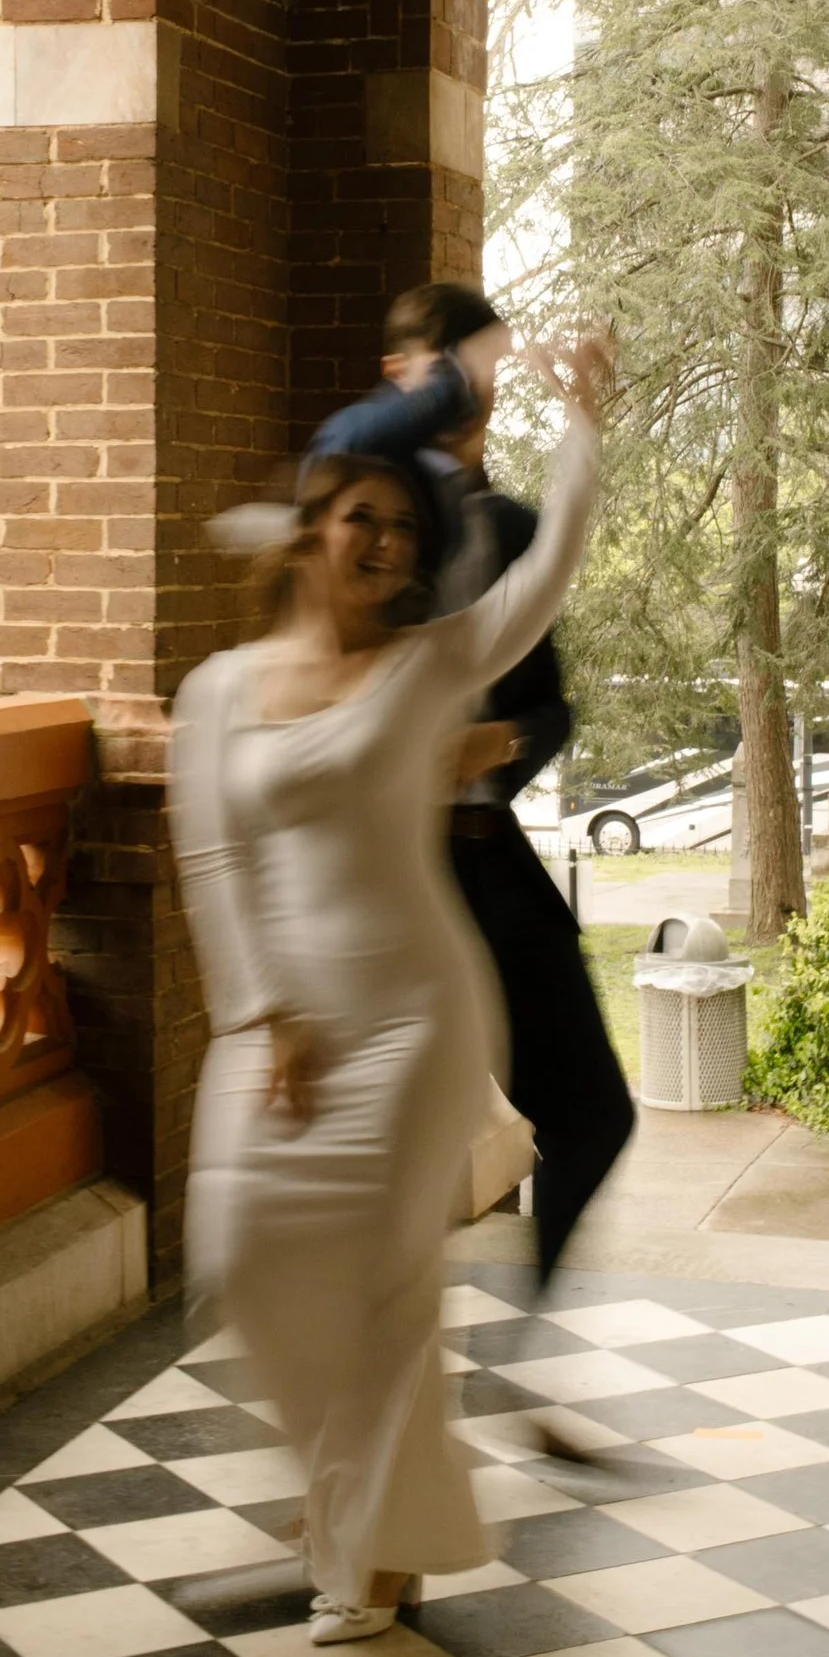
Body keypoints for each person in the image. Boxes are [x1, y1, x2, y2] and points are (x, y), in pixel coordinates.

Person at [172, 338, 612, 1641]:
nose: (381, 541)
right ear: (313, 530)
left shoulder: (429, 669)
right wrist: (263, 1016)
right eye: (360, 516)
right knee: (243, 1252)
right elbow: (212, 858)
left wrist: (582, 427)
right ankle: (369, 1505)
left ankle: (364, 1550)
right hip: (281, 1024)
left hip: (419, 1014)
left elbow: (549, 574)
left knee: (386, 1283)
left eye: (402, 530)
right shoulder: (219, 691)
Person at [311, 285, 636, 1328]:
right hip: (379, 880)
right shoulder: (354, 523)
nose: (455, 395)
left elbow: (549, 704)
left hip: (487, 858)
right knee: (372, 1147)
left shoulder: (515, 529)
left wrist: (500, 743)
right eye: (431, 368)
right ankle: (356, 1386)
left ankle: (523, 1345)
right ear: (395, 374)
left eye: (469, 376)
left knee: (593, 1112)